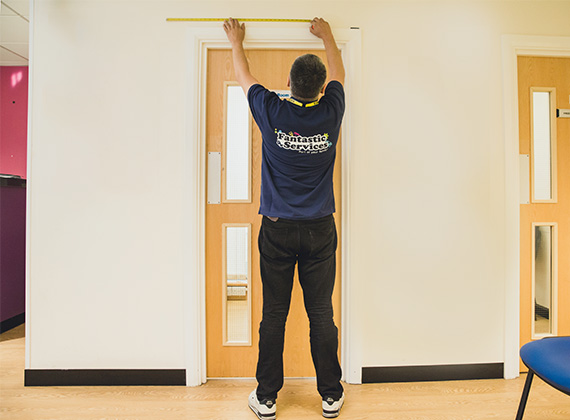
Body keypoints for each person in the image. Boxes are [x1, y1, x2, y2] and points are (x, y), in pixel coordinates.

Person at [223, 17, 346, 420]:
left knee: (274, 314)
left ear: (289, 85)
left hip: (276, 230)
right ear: (321, 88)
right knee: (321, 314)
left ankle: (267, 398)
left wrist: (236, 40)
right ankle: (330, 396)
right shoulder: (331, 111)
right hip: (320, 230)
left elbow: (243, 75)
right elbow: (339, 73)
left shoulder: (271, 109)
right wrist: (327, 36)